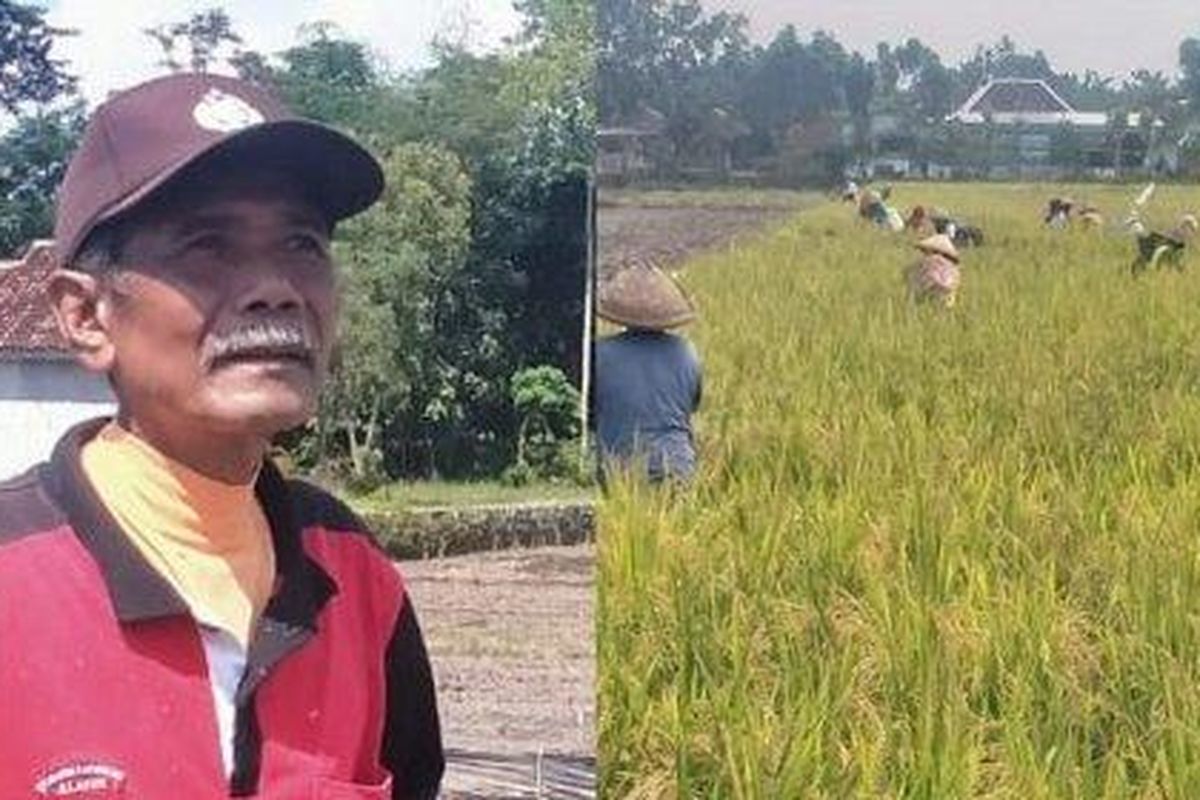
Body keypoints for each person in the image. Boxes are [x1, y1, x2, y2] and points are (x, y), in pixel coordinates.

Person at [0, 73, 443, 797]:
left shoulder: (353, 575)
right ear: (85, 317)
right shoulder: (13, 575)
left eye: (302, 243)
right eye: (207, 245)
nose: (275, 288)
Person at [593, 261, 702, 484]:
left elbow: (590, 412)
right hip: (678, 466)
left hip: (620, 470)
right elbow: (691, 405)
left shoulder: (599, 353)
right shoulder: (687, 352)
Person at [905, 233, 962, 308]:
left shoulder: (926, 262)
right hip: (946, 301)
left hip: (926, 298)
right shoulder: (954, 269)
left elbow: (908, 276)